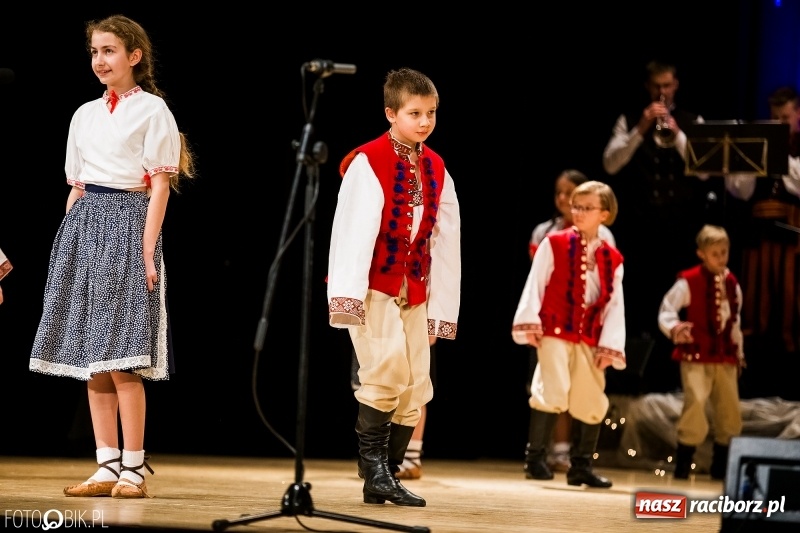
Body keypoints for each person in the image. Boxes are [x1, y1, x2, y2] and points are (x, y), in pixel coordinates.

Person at [29, 15, 195, 499]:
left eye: (109, 51)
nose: (100, 61)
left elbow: (160, 185)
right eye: (95, 52)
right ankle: (105, 464)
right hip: (86, 225)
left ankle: (135, 468)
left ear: (133, 56)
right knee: (92, 359)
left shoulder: (153, 111)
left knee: (123, 358)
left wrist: (146, 250)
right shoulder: (83, 114)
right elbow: (77, 187)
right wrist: (67, 247)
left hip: (128, 222)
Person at [327, 67, 461, 507]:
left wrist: (442, 309)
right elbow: (352, 232)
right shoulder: (369, 161)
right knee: (386, 372)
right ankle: (375, 472)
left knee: (417, 383)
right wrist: (348, 298)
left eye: (431, 113)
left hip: (414, 291)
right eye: (415, 113)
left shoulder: (437, 167)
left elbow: (445, 243)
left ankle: (386, 475)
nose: (424, 122)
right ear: (391, 113)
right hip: (374, 288)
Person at [602, 60, 717, 393]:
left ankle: (675, 380)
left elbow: (707, 170)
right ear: (648, 87)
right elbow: (610, 163)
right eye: (656, 87)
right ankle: (634, 379)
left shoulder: (692, 120)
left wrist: (678, 134)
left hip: (680, 231)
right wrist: (640, 128)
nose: (661, 93)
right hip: (640, 230)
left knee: (679, 301)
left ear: (676, 85)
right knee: (638, 302)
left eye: (666, 86)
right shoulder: (630, 118)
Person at [512, 180, 625, 489]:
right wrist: (530, 321)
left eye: (587, 208)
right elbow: (536, 283)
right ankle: (535, 458)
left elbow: (614, 304)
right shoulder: (555, 242)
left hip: (588, 335)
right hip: (555, 329)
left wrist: (609, 345)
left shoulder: (612, 259)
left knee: (590, 395)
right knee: (552, 387)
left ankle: (581, 466)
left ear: (604, 214)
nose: (578, 212)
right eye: (576, 206)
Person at [657, 224, 745, 480]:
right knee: (695, 404)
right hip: (696, 355)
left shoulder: (732, 283)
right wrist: (675, 328)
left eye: (724, 252)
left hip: (724, 356)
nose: (721, 258)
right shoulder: (689, 281)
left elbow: (735, 322)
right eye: (715, 253)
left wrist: (738, 352)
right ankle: (684, 465)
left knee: (729, 411)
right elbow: (666, 309)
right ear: (702, 254)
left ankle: (721, 468)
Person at [724, 85, 800, 359]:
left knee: (791, 295)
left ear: (797, 115)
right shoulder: (757, 142)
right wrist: (752, 157)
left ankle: (790, 356)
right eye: (775, 117)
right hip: (758, 230)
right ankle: (757, 354)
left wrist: (777, 151)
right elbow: (739, 191)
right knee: (757, 295)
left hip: (792, 231)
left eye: (785, 118)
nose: (779, 123)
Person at [350, 334, 436, 480]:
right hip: (377, 328)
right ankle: (377, 458)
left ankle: (409, 458)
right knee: (373, 387)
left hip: (411, 320)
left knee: (412, 389)